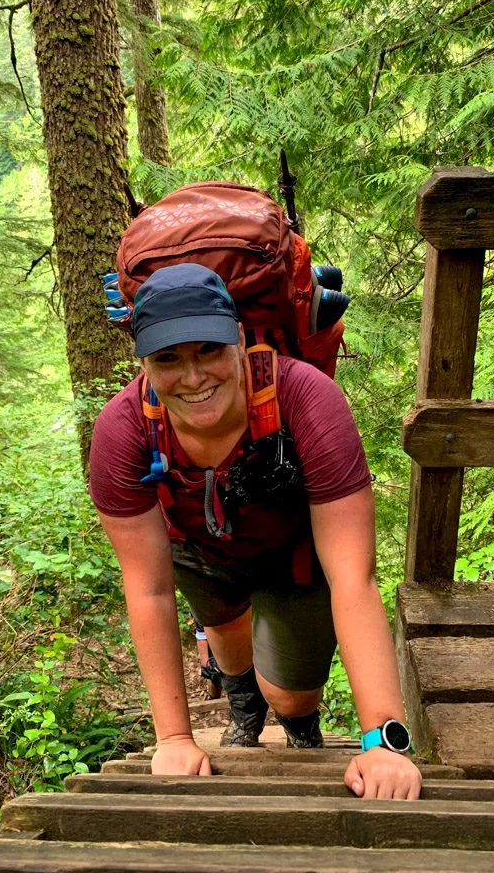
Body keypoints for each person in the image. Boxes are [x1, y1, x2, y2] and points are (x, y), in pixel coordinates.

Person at [89, 263, 422, 798]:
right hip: (196, 548)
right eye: (167, 358)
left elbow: (353, 579)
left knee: (290, 696)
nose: (193, 377)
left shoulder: (306, 400)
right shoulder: (124, 430)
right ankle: (244, 710)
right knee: (226, 637)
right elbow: (148, 588)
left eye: (209, 351)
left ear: (239, 339)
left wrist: (382, 742)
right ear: (143, 363)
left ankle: (294, 722)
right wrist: (174, 737)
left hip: (292, 552)